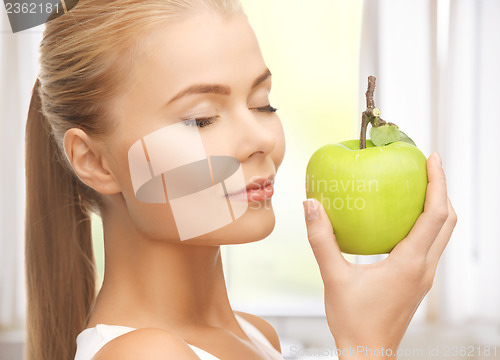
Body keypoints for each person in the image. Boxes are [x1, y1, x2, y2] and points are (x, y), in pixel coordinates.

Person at [24, 0, 457, 359]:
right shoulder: (144, 353)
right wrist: (370, 343)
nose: (260, 138)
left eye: (262, 104)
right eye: (201, 119)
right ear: (94, 160)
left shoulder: (256, 336)